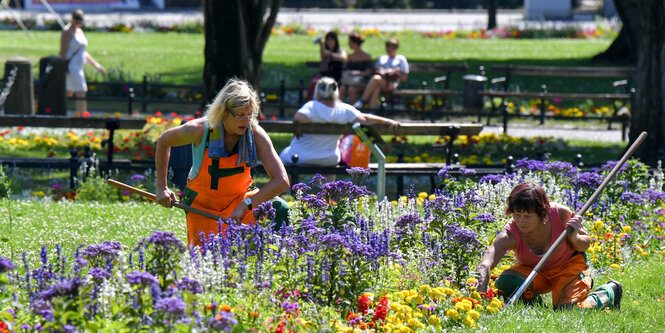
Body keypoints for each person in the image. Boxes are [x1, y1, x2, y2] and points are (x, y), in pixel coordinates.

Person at [155, 78, 290, 248]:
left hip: (241, 204)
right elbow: (163, 141)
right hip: (203, 208)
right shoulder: (198, 130)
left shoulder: (255, 134)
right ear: (224, 112)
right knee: (209, 261)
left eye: (250, 114)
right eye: (240, 115)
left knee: (281, 209)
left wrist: (246, 205)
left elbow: (282, 180)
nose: (246, 120)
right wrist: (162, 187)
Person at [475, 182, 622, 310]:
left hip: (568, 268)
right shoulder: (510, 234)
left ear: (542, 213)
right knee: (506, 281)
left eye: (527, 216)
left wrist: (573, 236)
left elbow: (585, 244)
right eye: (517, 214)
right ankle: (537, 308)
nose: (521, 221)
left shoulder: (560, 214)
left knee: (567, 311)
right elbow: (485, 263)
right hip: (537, 274)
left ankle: (607, 293)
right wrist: (480, 295)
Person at [280, 76, 400, 166]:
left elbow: (299, 118)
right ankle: (329, 197)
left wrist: (305, 124)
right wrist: (386, 120)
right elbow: (365, 118)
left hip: (302, 156)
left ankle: (288, 191)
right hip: (330, 158)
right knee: (329, 165)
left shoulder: (312, 106)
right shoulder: (344, 108)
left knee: (282, 157)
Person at [59, 9, 105, 115]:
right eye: (76, 18)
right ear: (72, 18)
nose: (78, 21)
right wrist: (61, 67)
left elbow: (83, 52)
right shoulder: (67, 31)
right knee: (81, 90)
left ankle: (56, 108)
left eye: (80, 19)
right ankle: (82, 115)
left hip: (79, 66)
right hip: (71, 66)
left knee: (69, 92)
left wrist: (96, 65)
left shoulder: (80, 31)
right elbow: (63, 51)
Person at [353, 37, 409, 110]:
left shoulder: (401, 59)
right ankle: (371, 111)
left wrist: (395, 72)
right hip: (380, 82)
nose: (389, 49)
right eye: (387, 46)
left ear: (396, 48)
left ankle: (362, 101)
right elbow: (374, 70)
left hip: (392, 84)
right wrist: (382, 71)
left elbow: (404, 78)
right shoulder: (382, 58)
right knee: (377, 86)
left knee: (376, 78)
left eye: (392, 47)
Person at [307, 31, 347, 100]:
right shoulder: (325, 52)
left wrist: (330, 54)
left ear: (335, 41)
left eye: (331, 40)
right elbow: (323, 54)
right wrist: (321, 45)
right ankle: (312, 102)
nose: (329, 42)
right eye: (328, 40)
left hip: (336, 77)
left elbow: (343, 57)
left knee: (324, 84)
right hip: (323, 76)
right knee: (315, 82)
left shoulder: (340, 51)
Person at [340, 32, 373, 104]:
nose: (348, 44)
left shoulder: (366, 56)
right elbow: (346, 69)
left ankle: (355, 111)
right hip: (351, 81)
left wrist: (357, 73)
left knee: (351, 89)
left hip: (362, 81)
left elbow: (369, 72)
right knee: (342, 88)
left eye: (350, 42)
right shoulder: (350, 56)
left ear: (354, 43)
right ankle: (339, 112)